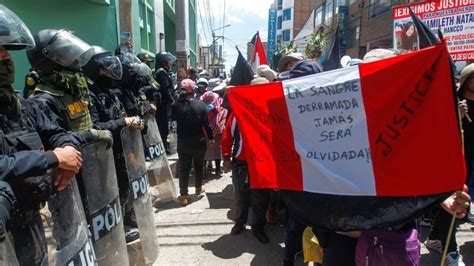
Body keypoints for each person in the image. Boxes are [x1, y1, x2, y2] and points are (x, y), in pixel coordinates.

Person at [0, 6, 83, 264]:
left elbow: (55, 132)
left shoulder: (19, 104)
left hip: (30, 219)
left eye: (6, 52)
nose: (6, 58)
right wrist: (52, 159)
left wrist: (67, 153)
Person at [83, 46, 144, 242]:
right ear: (95, 68)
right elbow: (96, 127)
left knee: (123, 189)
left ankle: (122, 225)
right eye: (105, 67)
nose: (110, 71)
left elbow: (121, 115)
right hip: (102, 157)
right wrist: (123, 122)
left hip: (120, 151)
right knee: (108, 195)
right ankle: (110, 235)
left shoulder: (109, 91)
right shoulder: (89, 94)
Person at [221, 78, 270, 244]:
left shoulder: (272, 112)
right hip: (241, 163)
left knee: (260, 198)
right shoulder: (237, 113)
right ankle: (240, 223)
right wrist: (226, 157)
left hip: (264, 164)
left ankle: (258, 227)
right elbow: (227, 137)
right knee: (241, 196)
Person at [171, 79, 214, 206]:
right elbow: (207, 125)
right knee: (199, 166)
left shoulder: (176, 105)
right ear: (193, 90)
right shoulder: (200, 105)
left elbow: (172, 121)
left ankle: (183, 195)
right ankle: (198, 188)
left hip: (183, 142)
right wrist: (211, 138)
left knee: (184, 169)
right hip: (199, 141)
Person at [200, 91, 228, 176]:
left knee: (205, 149)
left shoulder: (201, 108)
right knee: (217, 149)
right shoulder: (221, 107)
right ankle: (218, 170)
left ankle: (204, 171)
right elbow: (222, 120)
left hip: (205, 131)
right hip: (217, 131)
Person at [155, 51, 177, 155]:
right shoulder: (161, 73)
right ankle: (163, 147)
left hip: (165, 104)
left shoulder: (164, 72)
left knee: (165, 126)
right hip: (163, 105)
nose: (170, 63)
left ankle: (165, 145)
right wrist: (171, 100)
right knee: (163, 127)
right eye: (168, 61)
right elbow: (164, 89)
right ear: (163, 62)